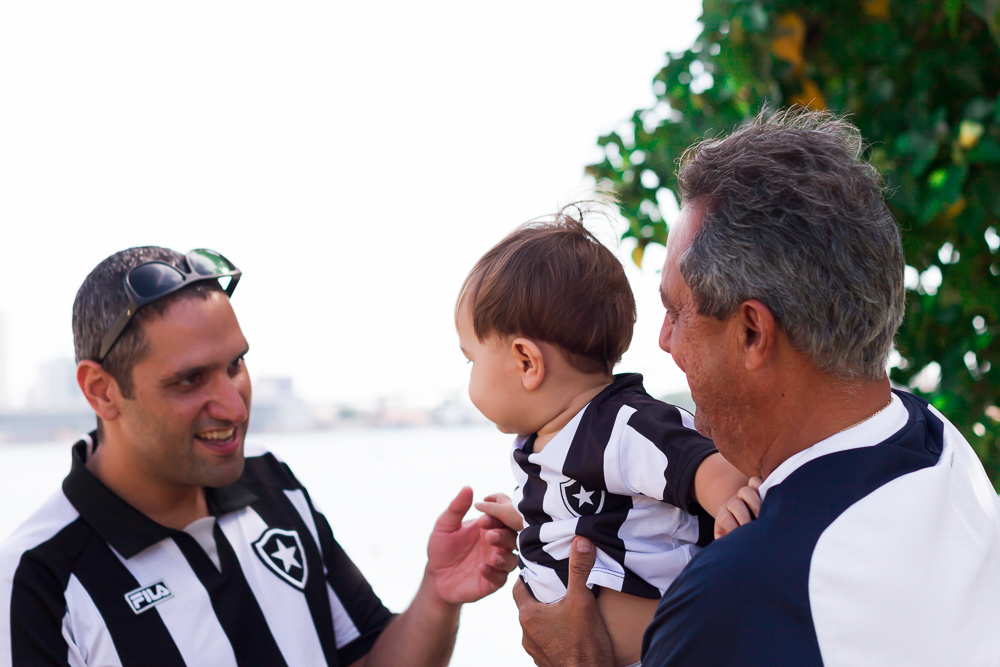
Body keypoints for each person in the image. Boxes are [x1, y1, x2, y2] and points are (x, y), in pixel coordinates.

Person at [513, 109, 1000, 666]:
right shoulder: (934, 438)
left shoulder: (738, 598)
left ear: (751, 332)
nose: (663, 340)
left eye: (676, 312)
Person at [0, 247, 517, 667]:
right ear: (101, 390)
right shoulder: (35, 581)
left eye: (236, 364)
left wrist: (439, 593)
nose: (232, 404)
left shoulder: (274, 486)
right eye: (189, 379)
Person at [455, 214, 748, 667]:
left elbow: (701, 465)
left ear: (526, 362)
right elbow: (595, 510)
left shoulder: (622, 424)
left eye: (470, 359)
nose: (470, 377)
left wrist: (732, 504)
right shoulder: (543, 441)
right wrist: (526, 519)